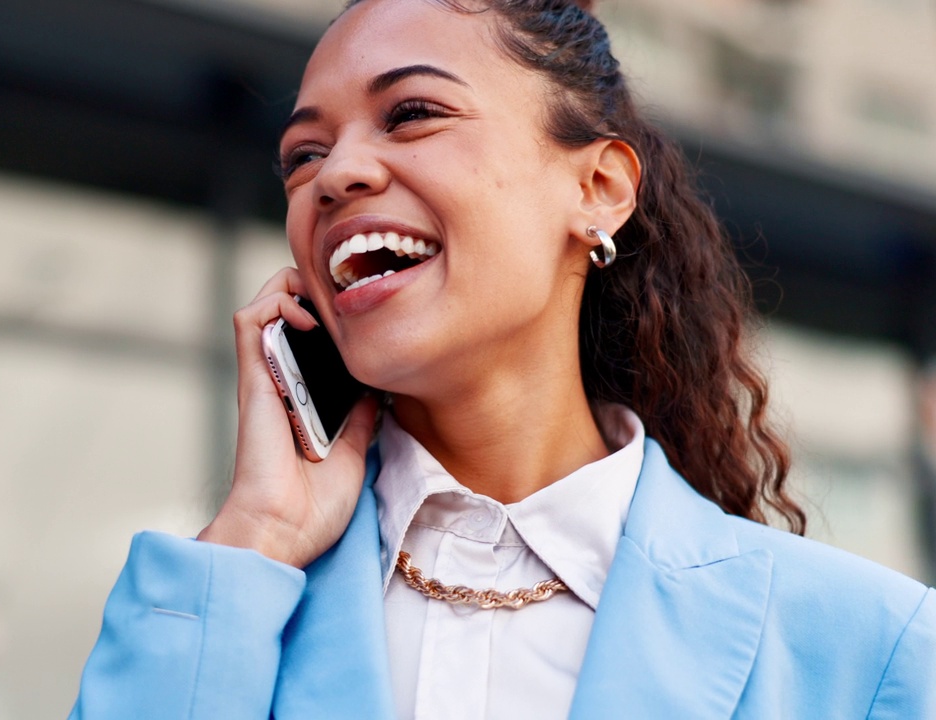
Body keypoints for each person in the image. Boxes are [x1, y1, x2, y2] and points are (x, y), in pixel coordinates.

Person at [70, 0, 936, 717]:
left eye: (411, 114)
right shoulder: (224, 612)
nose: (336, 175)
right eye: (305, 154)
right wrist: (258, 533)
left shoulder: (871, 649)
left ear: (598, 188)